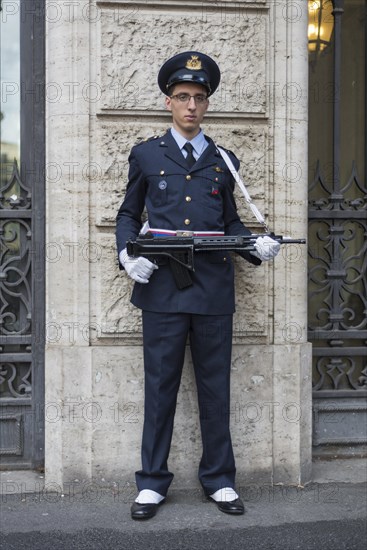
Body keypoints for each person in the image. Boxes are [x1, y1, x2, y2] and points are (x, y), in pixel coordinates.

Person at [116, 51, 280, 520]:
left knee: (214, 389)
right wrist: (128, 255)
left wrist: (255, 248)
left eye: (199, 98)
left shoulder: (225, 161)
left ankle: (220, 480)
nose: (191, 106)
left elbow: (230, 221)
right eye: (183, 97)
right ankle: (151, 483)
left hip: (211, 290)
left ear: (207, 104)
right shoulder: (146, 154)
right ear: (168, 101)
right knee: (160, 388)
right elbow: (130, 214)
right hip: (163, 290)